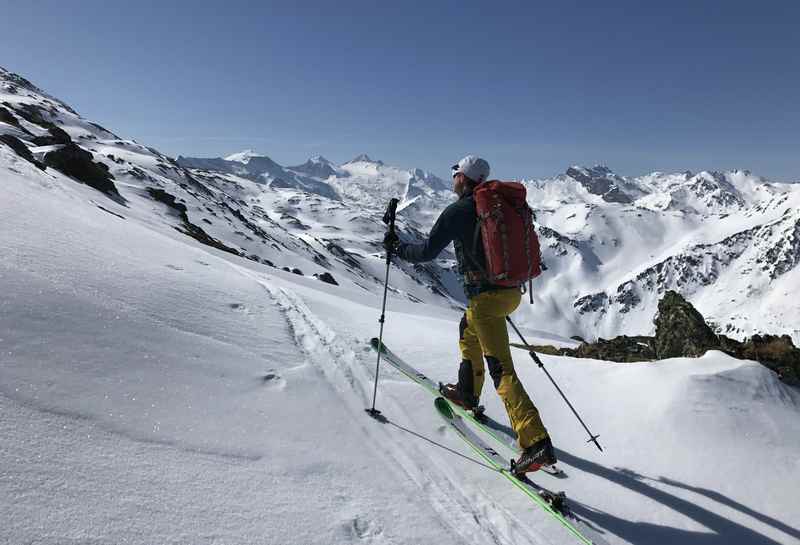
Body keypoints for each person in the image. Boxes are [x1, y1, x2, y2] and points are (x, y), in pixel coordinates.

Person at [383, 155, 556, 474]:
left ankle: (536, 443)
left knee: (501, 369)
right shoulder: (499, 205)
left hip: (486, 300)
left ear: (464, 178)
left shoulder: (459, 211)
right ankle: (466, 392)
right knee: (468, 329)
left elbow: (426, 252)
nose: (453, 179)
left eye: (456, 175)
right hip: (509, 293)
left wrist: (396, 247)